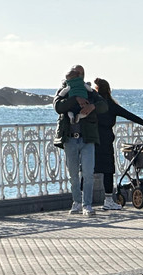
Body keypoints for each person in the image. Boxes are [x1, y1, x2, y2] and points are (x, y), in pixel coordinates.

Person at [92, 78, 143, 211]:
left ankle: (83, 201)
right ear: (108, 90)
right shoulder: (111, 105)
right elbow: (130, 115)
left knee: (88, 170)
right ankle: (108, 200)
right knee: (108, 170)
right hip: (106, 140)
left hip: (92, 140)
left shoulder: (93, 104)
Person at [53, 64, 108, 216]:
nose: (79, 75)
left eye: (81, 73)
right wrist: (75, 99)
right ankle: (76, 202)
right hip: (70, 139)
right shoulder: (64, 89)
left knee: (88, 173)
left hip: (87, 139)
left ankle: (87, 205)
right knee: (73, 175)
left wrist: (92, 107)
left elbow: (104, 106)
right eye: (76, 73)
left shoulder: (89, 91)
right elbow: (58, 106)